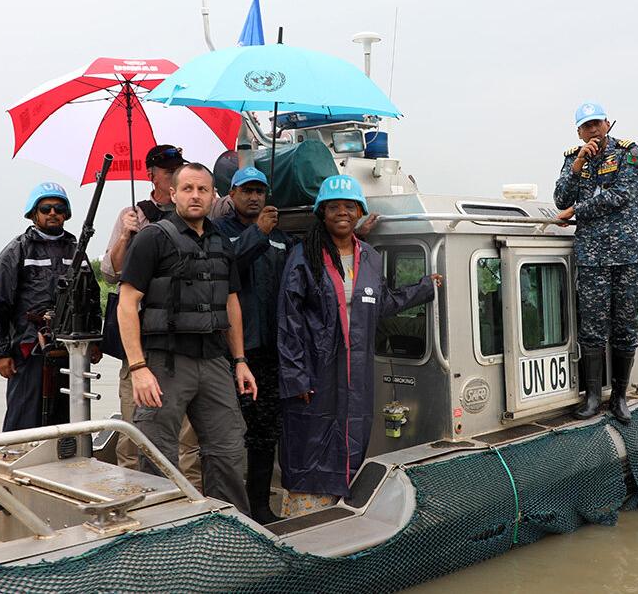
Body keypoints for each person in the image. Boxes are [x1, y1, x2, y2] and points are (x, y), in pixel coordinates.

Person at [276, 175, 442, 517]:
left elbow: (381, 302)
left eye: (349, 206)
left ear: (359, 212)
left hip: (357, 367)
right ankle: (304, 517)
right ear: (322, 213)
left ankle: (340, 512)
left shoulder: (369, 257)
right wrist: (296, 376)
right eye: (334, 207)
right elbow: (288, 318)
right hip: (317, 368)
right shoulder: (303, 256)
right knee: (311, 437)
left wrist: (423, 288)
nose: (342, 212)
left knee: (352, 431)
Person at [116, 163, 258, 514]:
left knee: (228, 449)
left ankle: (231, 527)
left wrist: (240, 361)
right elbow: (127, 303)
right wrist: (138, 368)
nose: (195, 196)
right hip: (165, 363)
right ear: (174, 193)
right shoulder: (152, 238)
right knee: (158, 454)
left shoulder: (221, 241)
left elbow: (231, 302)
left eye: (203, 189)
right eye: (188, 189)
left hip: (213, 361)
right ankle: (161, 528)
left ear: (213, 195)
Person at [99, 144, 203, 474]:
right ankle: (132, 490)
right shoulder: (133, 214)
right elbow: (110, 272)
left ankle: (189, 493)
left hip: (183, 333)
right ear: (151, 175)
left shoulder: (195, 214)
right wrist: (126, 235)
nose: (175, 175)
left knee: (188, 432)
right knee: (133, 424)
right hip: (141, 334)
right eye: (168, 171)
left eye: (179, 170)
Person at [553, 102, 638, 425]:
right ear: (579, 132)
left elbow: (621, 195)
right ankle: (593, 397)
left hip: (628, 253)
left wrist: (576, 212)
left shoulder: (628, 153)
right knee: (592, 326)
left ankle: (619, 397)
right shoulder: (572, 158)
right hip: (592, 255)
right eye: (587, 126)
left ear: (607, 123)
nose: (593, 129)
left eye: (597, 123)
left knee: (624, 325)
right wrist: (579, 163)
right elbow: (560, 199)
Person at [0, 182, 97, 431]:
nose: (53, 213)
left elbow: (92, 298)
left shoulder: (77, 251)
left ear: (66, 214)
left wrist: (95, 342)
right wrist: (0, 354)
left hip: (72, 351)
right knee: (24, 418)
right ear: (34, 213)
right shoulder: (16, 251)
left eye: (59, 208)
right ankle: (16, 454)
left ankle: (66, 456)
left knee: (70, 419)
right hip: (29, 351)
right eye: (46, 208)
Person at [211, 166, 289, 524]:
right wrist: (258, 233)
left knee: (264, 434)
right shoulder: (217, 232)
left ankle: (259, 506)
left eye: (260, 191)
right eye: (247, 191)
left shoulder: (281, 237)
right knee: (227, 434)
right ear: (232, 195)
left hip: (270, 352)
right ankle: (225, 508)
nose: (254, 197)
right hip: (231, 352)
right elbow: (226, 267)